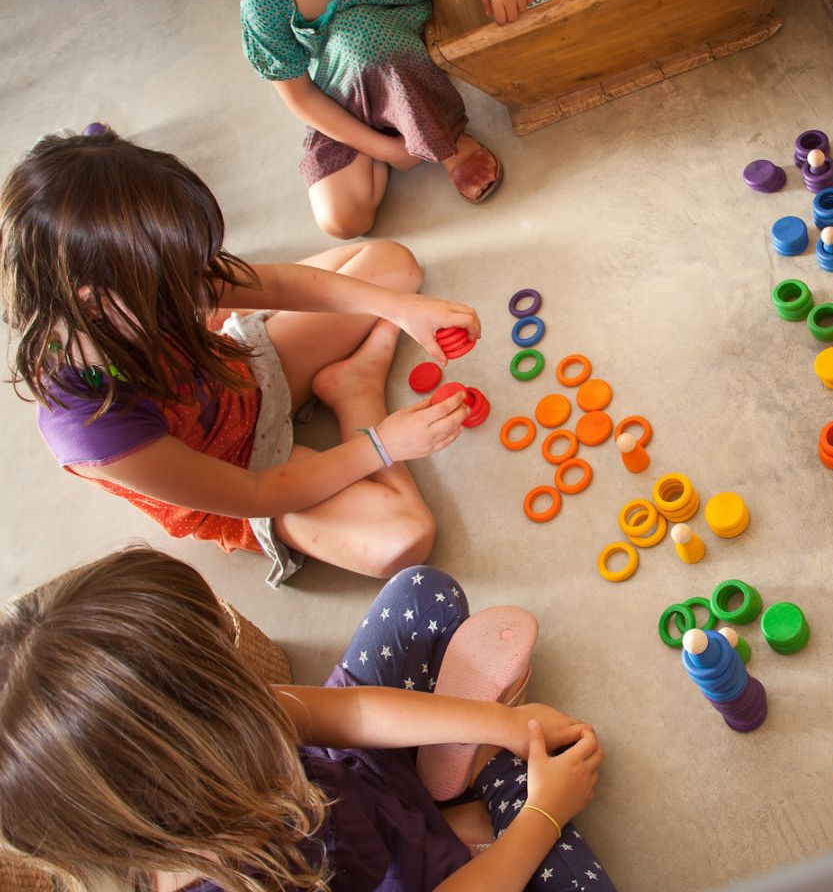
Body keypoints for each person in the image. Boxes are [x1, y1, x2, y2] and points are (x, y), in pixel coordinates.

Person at [0, 548, 631, 892]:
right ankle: (472, 819)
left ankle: (451, 804)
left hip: (346, 790)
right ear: (195, 745)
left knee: (421, 592)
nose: (234, 629)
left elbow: (351, 713)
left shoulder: (191, 743)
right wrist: (544, 812)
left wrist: (503, 725)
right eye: (222, 653)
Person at [0, 129, 480, 586]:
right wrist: (382, 443)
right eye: (181, 281)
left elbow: (273, 283)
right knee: (403, 540)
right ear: (91, 301)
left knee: (391, 267)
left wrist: (403, 309)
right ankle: (358, 390)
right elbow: (257, 494)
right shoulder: (90, 423)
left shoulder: (138, 279)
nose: (199, 285)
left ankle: (350, 376)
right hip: (249, 472)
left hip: (244, 377)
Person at [232, 0, 536, 239]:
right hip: (337, 87)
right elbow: (300, 96)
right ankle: (396, 128)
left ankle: (444, 140)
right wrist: (385, 150)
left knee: (362, 41)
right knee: (343, 222)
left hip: (389, 51)